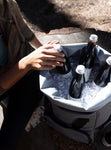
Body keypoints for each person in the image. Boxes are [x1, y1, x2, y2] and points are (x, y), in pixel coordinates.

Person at [0, 0, 65, 149]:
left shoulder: (5, 3)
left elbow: (23, 29)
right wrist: (25, 64)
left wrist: (43, 51)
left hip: (24, 74)